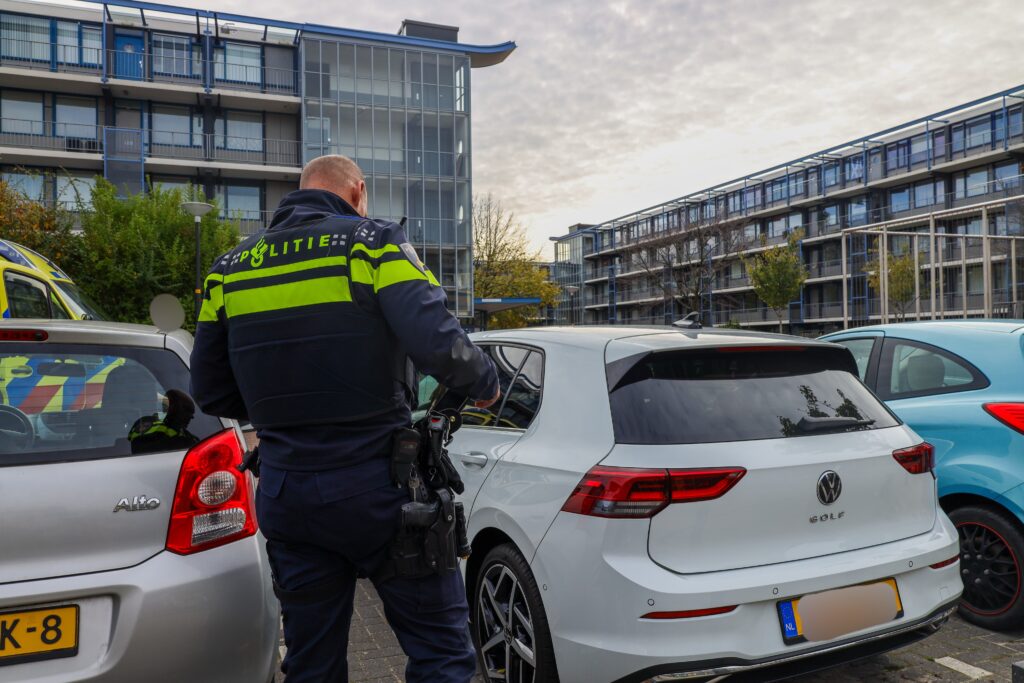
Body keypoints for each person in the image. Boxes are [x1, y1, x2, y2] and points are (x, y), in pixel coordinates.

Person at [189, 155, 499, 683]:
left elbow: (210, 389)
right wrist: (486, 386)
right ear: (357, 192)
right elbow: (441, 343)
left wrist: (283, 410)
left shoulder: (227, 269)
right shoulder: (371, 242)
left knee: (311, 664)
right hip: (381, 489)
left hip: (287, 493)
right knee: (442, 655)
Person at [127, 388, 200, 454]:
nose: (191, 418)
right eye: (188, 414)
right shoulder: (148, 423)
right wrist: (183, 443)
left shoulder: (182, 432)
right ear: (174, 409)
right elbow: (144, 449)